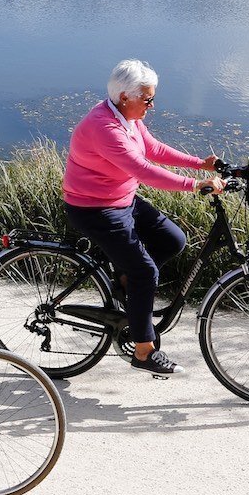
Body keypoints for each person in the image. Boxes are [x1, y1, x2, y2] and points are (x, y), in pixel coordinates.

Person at [62, 60, 223, 377]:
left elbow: (152, 148)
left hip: (121, 199)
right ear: (125, 96)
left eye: (152, 98)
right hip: (94, 208)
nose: (152, 105)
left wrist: (201, 165)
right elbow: (142, 170)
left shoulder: (127, 118)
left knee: (172, 239)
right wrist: (193, 184)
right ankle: (143, 351)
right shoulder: (104, 127)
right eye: (147, 99)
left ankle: (126, 281)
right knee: (145, 270)